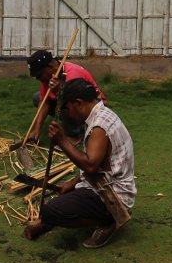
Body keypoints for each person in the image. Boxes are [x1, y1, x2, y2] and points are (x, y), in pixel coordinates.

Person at [22, 78, 135, 249]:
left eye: (66, 109)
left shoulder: (99, 126)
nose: (67, 114)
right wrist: (74, 183)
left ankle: (109, 219)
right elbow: (98, 165)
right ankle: (97, 213)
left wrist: (62, 140)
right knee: (61, 195)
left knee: (49, 211)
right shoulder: (102, 115)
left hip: (114, 195)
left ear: (78, 103)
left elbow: (90, 165)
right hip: (105, 183)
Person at [26, 49, 105, 142]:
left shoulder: (72, 75)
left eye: (39, 75)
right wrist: (37, 129)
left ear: (49, 68)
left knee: (66, 104)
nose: (37, 78)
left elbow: (75, 103)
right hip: (73, 103)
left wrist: (58, 91)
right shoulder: (47, 78)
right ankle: (73, 125)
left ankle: (74, 136)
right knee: (37, 97)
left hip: (92, 109)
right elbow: (44, 101)